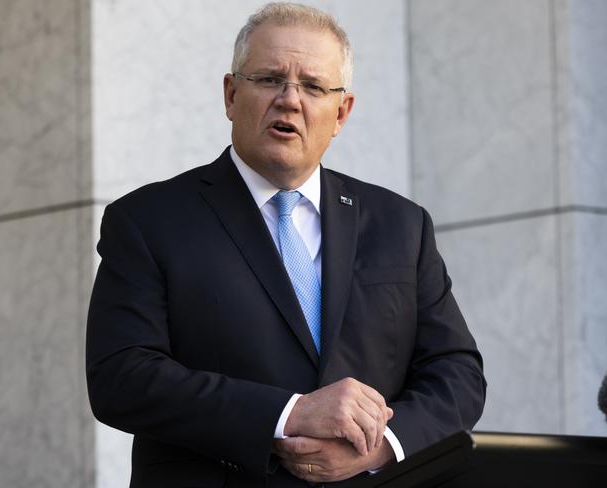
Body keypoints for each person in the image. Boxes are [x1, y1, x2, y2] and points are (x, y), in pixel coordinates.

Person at [86, 3, 486, 487]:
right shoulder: (149, 220)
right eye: (270, 79)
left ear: (341, 112)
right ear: (231, 94)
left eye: (314, 86)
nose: (290, 99)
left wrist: (377, 447)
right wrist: (289, 414)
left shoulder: (402, 225)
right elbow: (122, 378)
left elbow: (457, 372)